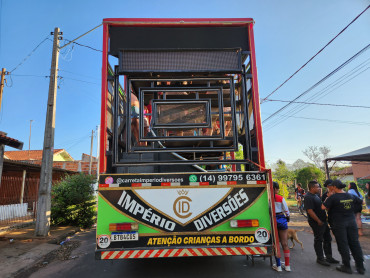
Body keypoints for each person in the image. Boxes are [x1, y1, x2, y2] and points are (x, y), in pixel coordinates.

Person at [322, 180, 365, 275]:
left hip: (339, 224)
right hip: (352, 222)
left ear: (334, 187)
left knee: (343, 244)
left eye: (331, 186)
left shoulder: (333, 197)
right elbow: (362, 202)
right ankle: (360, 267)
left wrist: (328, 197)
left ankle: (346, 266)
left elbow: (323, 207)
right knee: (355, 243)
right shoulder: (350, 195)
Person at [304, 181, 339, 266]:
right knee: (319, 239)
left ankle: (329, 257)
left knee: (327, 238)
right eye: (317, 187)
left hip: (323, 221)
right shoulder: (308, 197)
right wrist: (318, 220)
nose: (319, 188)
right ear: (312, 188)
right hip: (317, 222)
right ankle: (320, 258)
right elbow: (310, 211)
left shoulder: (315, 195)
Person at [272, 181, 291, 272]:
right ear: (275, 189)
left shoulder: (267, 198)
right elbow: (286, 210)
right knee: (285, 243)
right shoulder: (280, 198)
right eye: (277, 188)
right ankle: (287, 266)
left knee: (276, 244)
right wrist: (288, 217)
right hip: (281, 219)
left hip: (272, 220)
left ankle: (278, 266)